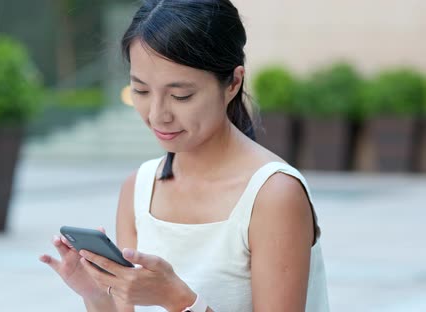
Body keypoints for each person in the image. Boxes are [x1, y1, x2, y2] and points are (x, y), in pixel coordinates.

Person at [39, 0, 329, 311]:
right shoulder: (139, 188)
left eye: (181, 95)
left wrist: (179, 301)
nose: (157, 114)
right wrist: (97, 295)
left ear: (233, 82)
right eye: (141, 91)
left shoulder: (273, 195)